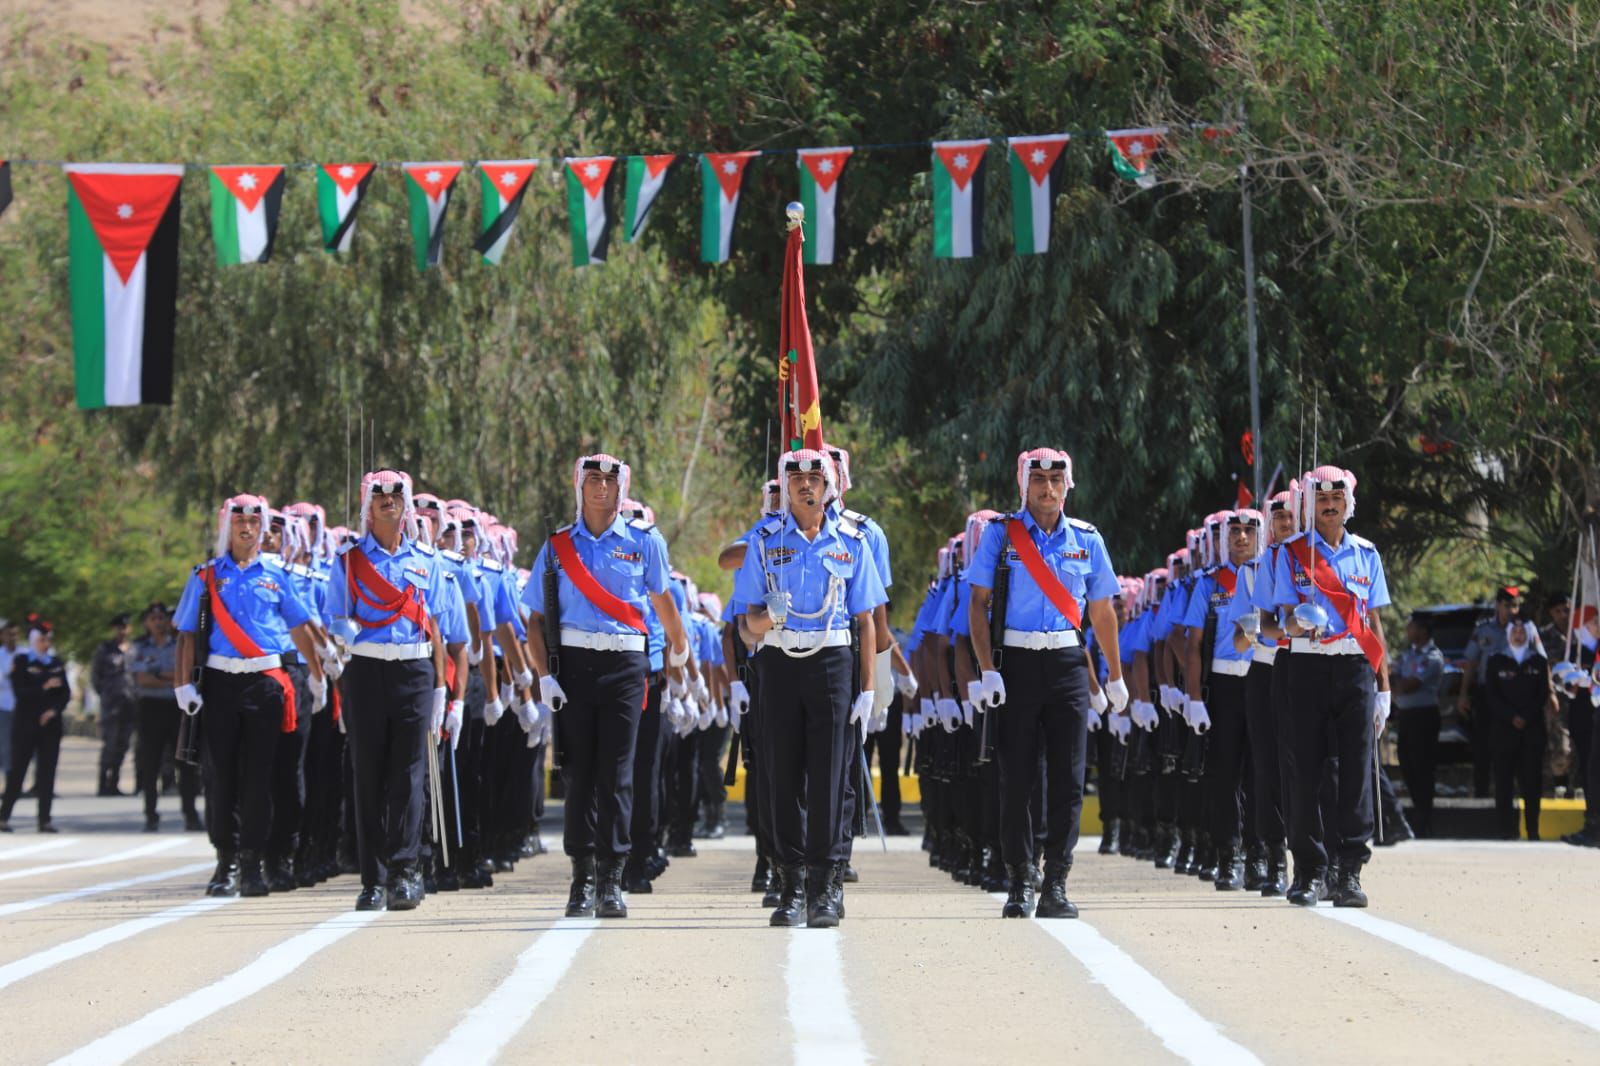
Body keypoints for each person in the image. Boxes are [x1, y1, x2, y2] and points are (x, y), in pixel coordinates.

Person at [523, 454, 691, 921]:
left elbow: (663, 601)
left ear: (622, 489)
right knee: (578, 775)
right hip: (573, 666)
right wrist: (545, 677)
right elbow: (534, 621)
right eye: (592, 479)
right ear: (579, 486)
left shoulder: (644, 542)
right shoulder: (557, 546)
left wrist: (679, 651)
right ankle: (582, 877)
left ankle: (613, 877)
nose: (601, 488)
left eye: (609, 481)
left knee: (618, 774)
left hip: (624, 664)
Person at [967, 448, 1126, 919]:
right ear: (1024, 483)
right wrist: (986, 669)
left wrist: (1114, 675)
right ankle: (1020, 878)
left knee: (1068, 776)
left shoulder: (1087, 539)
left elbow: (1101, 612)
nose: (1048, 488)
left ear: (1067, 485)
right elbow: (977, 605)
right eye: (1039, 479)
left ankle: (1056, 878)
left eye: (1057, 479)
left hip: (1067, 664)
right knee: (1015, 776)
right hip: (1015, 662)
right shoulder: (1000, 536)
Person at [735, 448, 884, 928]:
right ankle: (791, 884)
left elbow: (865, 621)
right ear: (784, 485)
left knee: (829, 778)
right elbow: (744, 626)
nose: (805, 485)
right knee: (781, 776)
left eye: (815, 478)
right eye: (795, 477)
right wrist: (765, 619)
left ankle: (825, 886)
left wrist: (867, 688)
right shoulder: (762, 540)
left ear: (829, 485)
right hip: (779, 660)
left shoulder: (853, 541)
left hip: (833, 662)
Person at [175, 495, 326, 898]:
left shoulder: (277, 575)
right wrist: (183, 685)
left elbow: (298, 626)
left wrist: (315, 675)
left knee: (261, 779)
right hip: (221, 684)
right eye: (239, 522)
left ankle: (252, 862)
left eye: (253, 523)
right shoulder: (205, 576)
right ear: (227, 527)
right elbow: (187, 632)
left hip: (264, 685)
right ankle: (224, 861)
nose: (247, 529)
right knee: (220, 777)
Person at [326, 472, 461, 912]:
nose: (389, 503)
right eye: (379, 496)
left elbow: (437, 627)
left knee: (410, 774)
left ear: (406, 506)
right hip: (365, 670)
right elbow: (335, 619)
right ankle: (373, 877)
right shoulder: (347, 561)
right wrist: (343, 634)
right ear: (367, 505)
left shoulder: (428, 561)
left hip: (414, 671)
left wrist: (442, 688)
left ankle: (406, 871)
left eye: (396, 496)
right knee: (367, 775)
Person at [1273, 466, 1391, 908]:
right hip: (1306, 666)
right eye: (1321, 498)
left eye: (1336, 498)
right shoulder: (1292, 554)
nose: (1329, 504)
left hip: (1354, 668)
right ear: (1310, 504)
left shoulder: (1366, 554)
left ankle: (1349, 870)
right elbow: (1280, 617)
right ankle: (1309, 868)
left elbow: (1375, 621)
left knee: (1357, 771)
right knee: (1305, 769)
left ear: (1347, 503)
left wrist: (1384, 687)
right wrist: (1298, 623)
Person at [129, 602, 201, 832]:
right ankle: (151, 815)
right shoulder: (139, 647)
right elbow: (141, 678)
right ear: (146, 623)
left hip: (177, 708)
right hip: (150, 709)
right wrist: (173, 677)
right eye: (153, 619)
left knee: (185, 763)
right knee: (150, 764)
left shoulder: (181, 643)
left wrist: (159, 675)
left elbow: (188, 674)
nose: (158, 622)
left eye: (162, 618)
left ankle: (190, 815)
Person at [0, 619, 70, 833]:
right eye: (41, 640)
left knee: (47, 772)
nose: (45, 644)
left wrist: (53, 710)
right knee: (18, 770)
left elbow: (64, 693)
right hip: (26, 724)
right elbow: (21, 692)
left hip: (50, 725)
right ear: (33, 641)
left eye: (48, 640)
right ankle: (4, 816)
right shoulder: (22, 661)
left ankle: (44, 819)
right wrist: (45, 685)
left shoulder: (55, 662)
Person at [1484, 620, 1550, 840]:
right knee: (1503, 783)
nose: (1519, 635)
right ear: (1508, 634)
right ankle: (1505, 830)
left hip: (1531, 732)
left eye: (1523, 632)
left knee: (1532, 783)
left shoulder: (1539, 662)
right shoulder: (1496, 661)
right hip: (1504, 732)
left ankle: (1533, 830)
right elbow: (1492, 696)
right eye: (1515, 631)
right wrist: (1511, 716)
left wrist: (1525, 715)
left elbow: (1542, 695)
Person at [1460, 586, 1521, 797]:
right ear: (1498, 605)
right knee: (1482, 743)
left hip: (1512, 694)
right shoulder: (1483, 629)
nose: (1511, 611)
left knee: (1511, 744)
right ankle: (1482, 791)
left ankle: (1510, 791)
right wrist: (1463, 694)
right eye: (1507, 606)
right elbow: (1471, 662)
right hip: (1486, 693)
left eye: (1515, 606)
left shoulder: (1522, 630)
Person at [1391, 613, 1445, 837]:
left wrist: (1395, 683)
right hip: (1406, 716)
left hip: (1424, 716)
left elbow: (1408, 684)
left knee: (1423, 768)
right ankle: (1417, 812)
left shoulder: (1433, 657)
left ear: (1422, 631)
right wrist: (1395, 682)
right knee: (1407, 764)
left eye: (1412, 626)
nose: (1408, 630)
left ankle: (1425, 818)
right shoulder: (1407, 655)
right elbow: (1391, 675)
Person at [91, 614, 137, 796]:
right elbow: (96, 677)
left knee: (123, 744)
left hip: (131, 702)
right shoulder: (105, 649)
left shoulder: (134, 649)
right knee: (109, 743)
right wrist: (105, 694)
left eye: (125, 627)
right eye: (119, 627)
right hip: (111, 703)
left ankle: (114, 782)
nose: (123, 631)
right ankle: (103, 783)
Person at [0, 619, 17, 795]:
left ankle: (21, 784)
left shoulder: (23, 654)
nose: (12, 637)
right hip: (3, 708)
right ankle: (9, 785)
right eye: (8, 634)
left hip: (23, 709)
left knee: (25, 748)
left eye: (14, 634)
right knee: (6, 748)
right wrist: (10, 673)